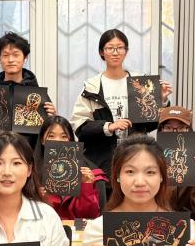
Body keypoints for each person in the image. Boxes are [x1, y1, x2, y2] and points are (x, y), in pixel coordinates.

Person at [70, 29, 173, 173]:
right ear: (101, 52)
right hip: (101, 164)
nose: (115, 52)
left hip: (136, 158)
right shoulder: (92, 87)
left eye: (120, 48)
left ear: (126, 51)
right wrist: (109, 127)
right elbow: (80, 128)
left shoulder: (139, 84)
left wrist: (162, 100)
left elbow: (151, 124)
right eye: (110, 48)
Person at [0, 33, 56, 147]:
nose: (10, 60)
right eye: (5, 55)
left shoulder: (38, 95)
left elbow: (48, 138)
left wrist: (52, 119)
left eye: (16, 55)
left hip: (29, 154)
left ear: (25, 58)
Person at [34, 115, 106, 220]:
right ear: (42, 140)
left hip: (77, 227)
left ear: (70, 140)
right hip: (44, 226)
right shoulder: (31, 170)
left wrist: (87, 186)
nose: (58, 141)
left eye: (64, 136)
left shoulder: (87, 172)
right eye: (51, 136)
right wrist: (39, 199)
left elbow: (89, 216)